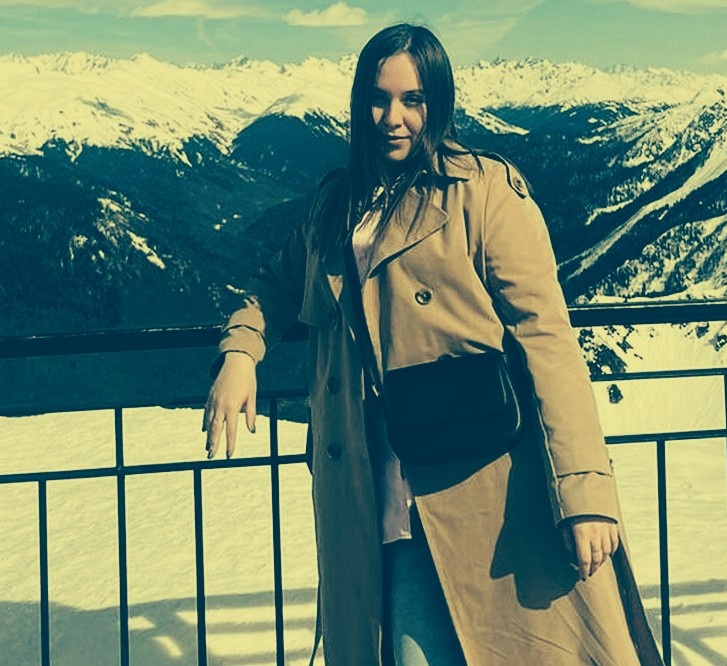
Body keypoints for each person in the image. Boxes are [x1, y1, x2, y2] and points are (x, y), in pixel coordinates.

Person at [203, 23, 663, 666]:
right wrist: (239, 352)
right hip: (372, 494)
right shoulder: (335, 204)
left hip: (481, 494)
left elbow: (547, 339)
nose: (393, 118)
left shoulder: (483, 191)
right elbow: (274, 286)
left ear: (437, 102)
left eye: (412, 100)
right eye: (378, 98)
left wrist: (584, 493)